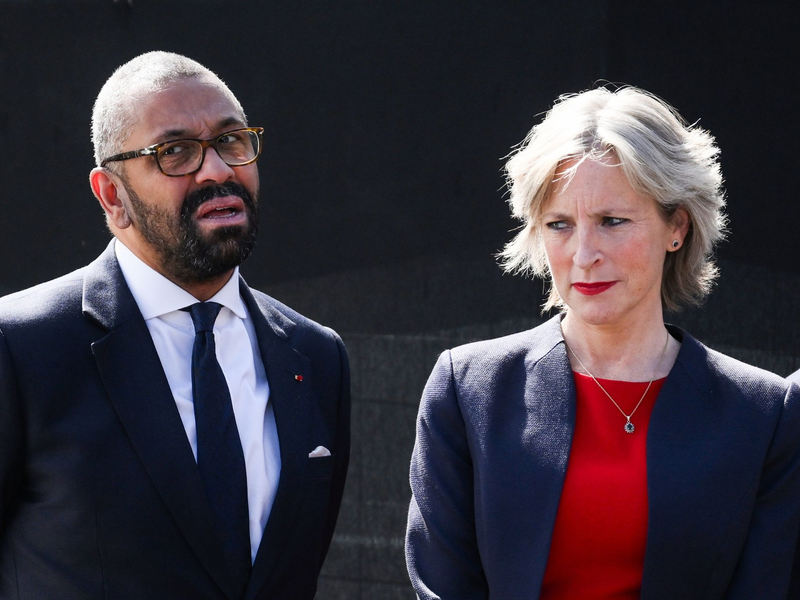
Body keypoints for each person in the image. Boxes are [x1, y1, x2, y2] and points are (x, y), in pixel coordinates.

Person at [405, 86, 800, 599]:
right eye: (559, 225)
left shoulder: (763, 414)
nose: (584, 253)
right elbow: (442, 585)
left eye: (612, 221)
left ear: (676, 225)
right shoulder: (469, 388)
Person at [0, 51, 349, 600]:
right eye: (175, 152)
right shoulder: (20, 347)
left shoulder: (315, 356)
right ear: (112, 195)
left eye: (232, 141)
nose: (218, 170)